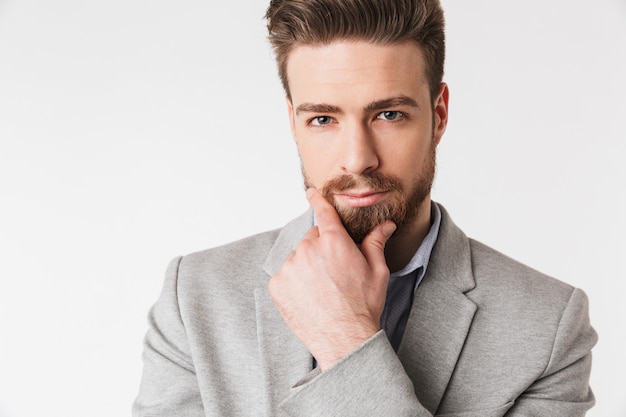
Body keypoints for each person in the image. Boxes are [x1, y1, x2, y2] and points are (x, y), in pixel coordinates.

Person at [132, 0, 597, 416]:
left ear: (438, 116)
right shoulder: (194, 299)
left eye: (388, 115)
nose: (357, 158)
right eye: (323, 119)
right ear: (293, 124)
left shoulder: (548, 326)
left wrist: (345, 338)